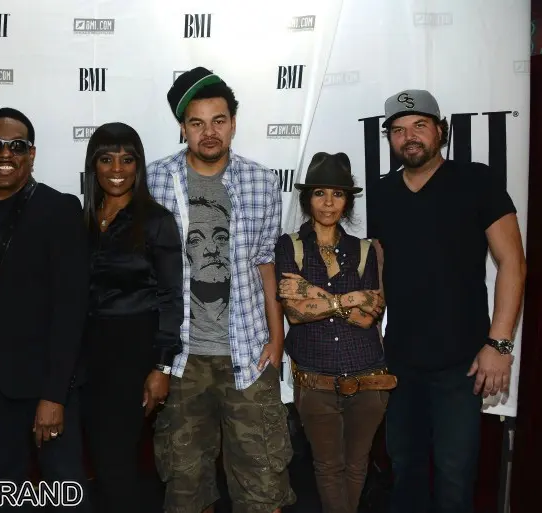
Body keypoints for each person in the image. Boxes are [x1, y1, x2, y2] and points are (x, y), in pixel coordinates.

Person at [368, 89, 526, 513]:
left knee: (455, 476)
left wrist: (499, 344)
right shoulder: (381, 193)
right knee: (405, 471)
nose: (409, 137)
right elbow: (379, 269)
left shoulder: (476, 181)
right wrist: (372, 335)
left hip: (463, 361)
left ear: (441, 130)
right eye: (398, 130)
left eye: (419, 125)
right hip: (400, 361)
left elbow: (512, 261)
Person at [147, 67, 296, 513]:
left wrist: (277, 340)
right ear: (182, 127)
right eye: (197, 123)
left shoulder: (261, 181)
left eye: (218, 121)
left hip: (247, 353)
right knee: (186, 486)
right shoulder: (155, 180)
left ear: (233, 123)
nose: (208, 132)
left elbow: (265, 263)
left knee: (262, 486)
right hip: (181, 359)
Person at [0, 107, 91, 512]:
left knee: (65, 493)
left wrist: (54, 395)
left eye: (17, 146)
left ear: (32, 153)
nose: (5, 154)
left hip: (46, 383)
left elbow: (71, 308)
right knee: (5, 490)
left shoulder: (59, 208)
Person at [275, 152, 395, 513]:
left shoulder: (364, 249)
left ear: (347, 202)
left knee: (357, 465)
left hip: (368, 376)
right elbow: (295, 313)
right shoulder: (290, 245)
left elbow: (368, 316)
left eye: (337, 194)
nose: (328, 203)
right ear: (306, 199)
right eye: (320, 193)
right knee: (328, 466)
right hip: (316, 381)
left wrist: (316, 294)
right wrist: (351, 298)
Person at [81, 122, 183, 513]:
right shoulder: (84, 219)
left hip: (134, 355)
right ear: (93, 166)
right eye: (106, 159)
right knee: (101, 459)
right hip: (89, 358)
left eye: (127, 160)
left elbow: (171, 298)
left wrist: (162, 367)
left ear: (138, 166)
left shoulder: (156, 220)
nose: (116, 169)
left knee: (117, 460)